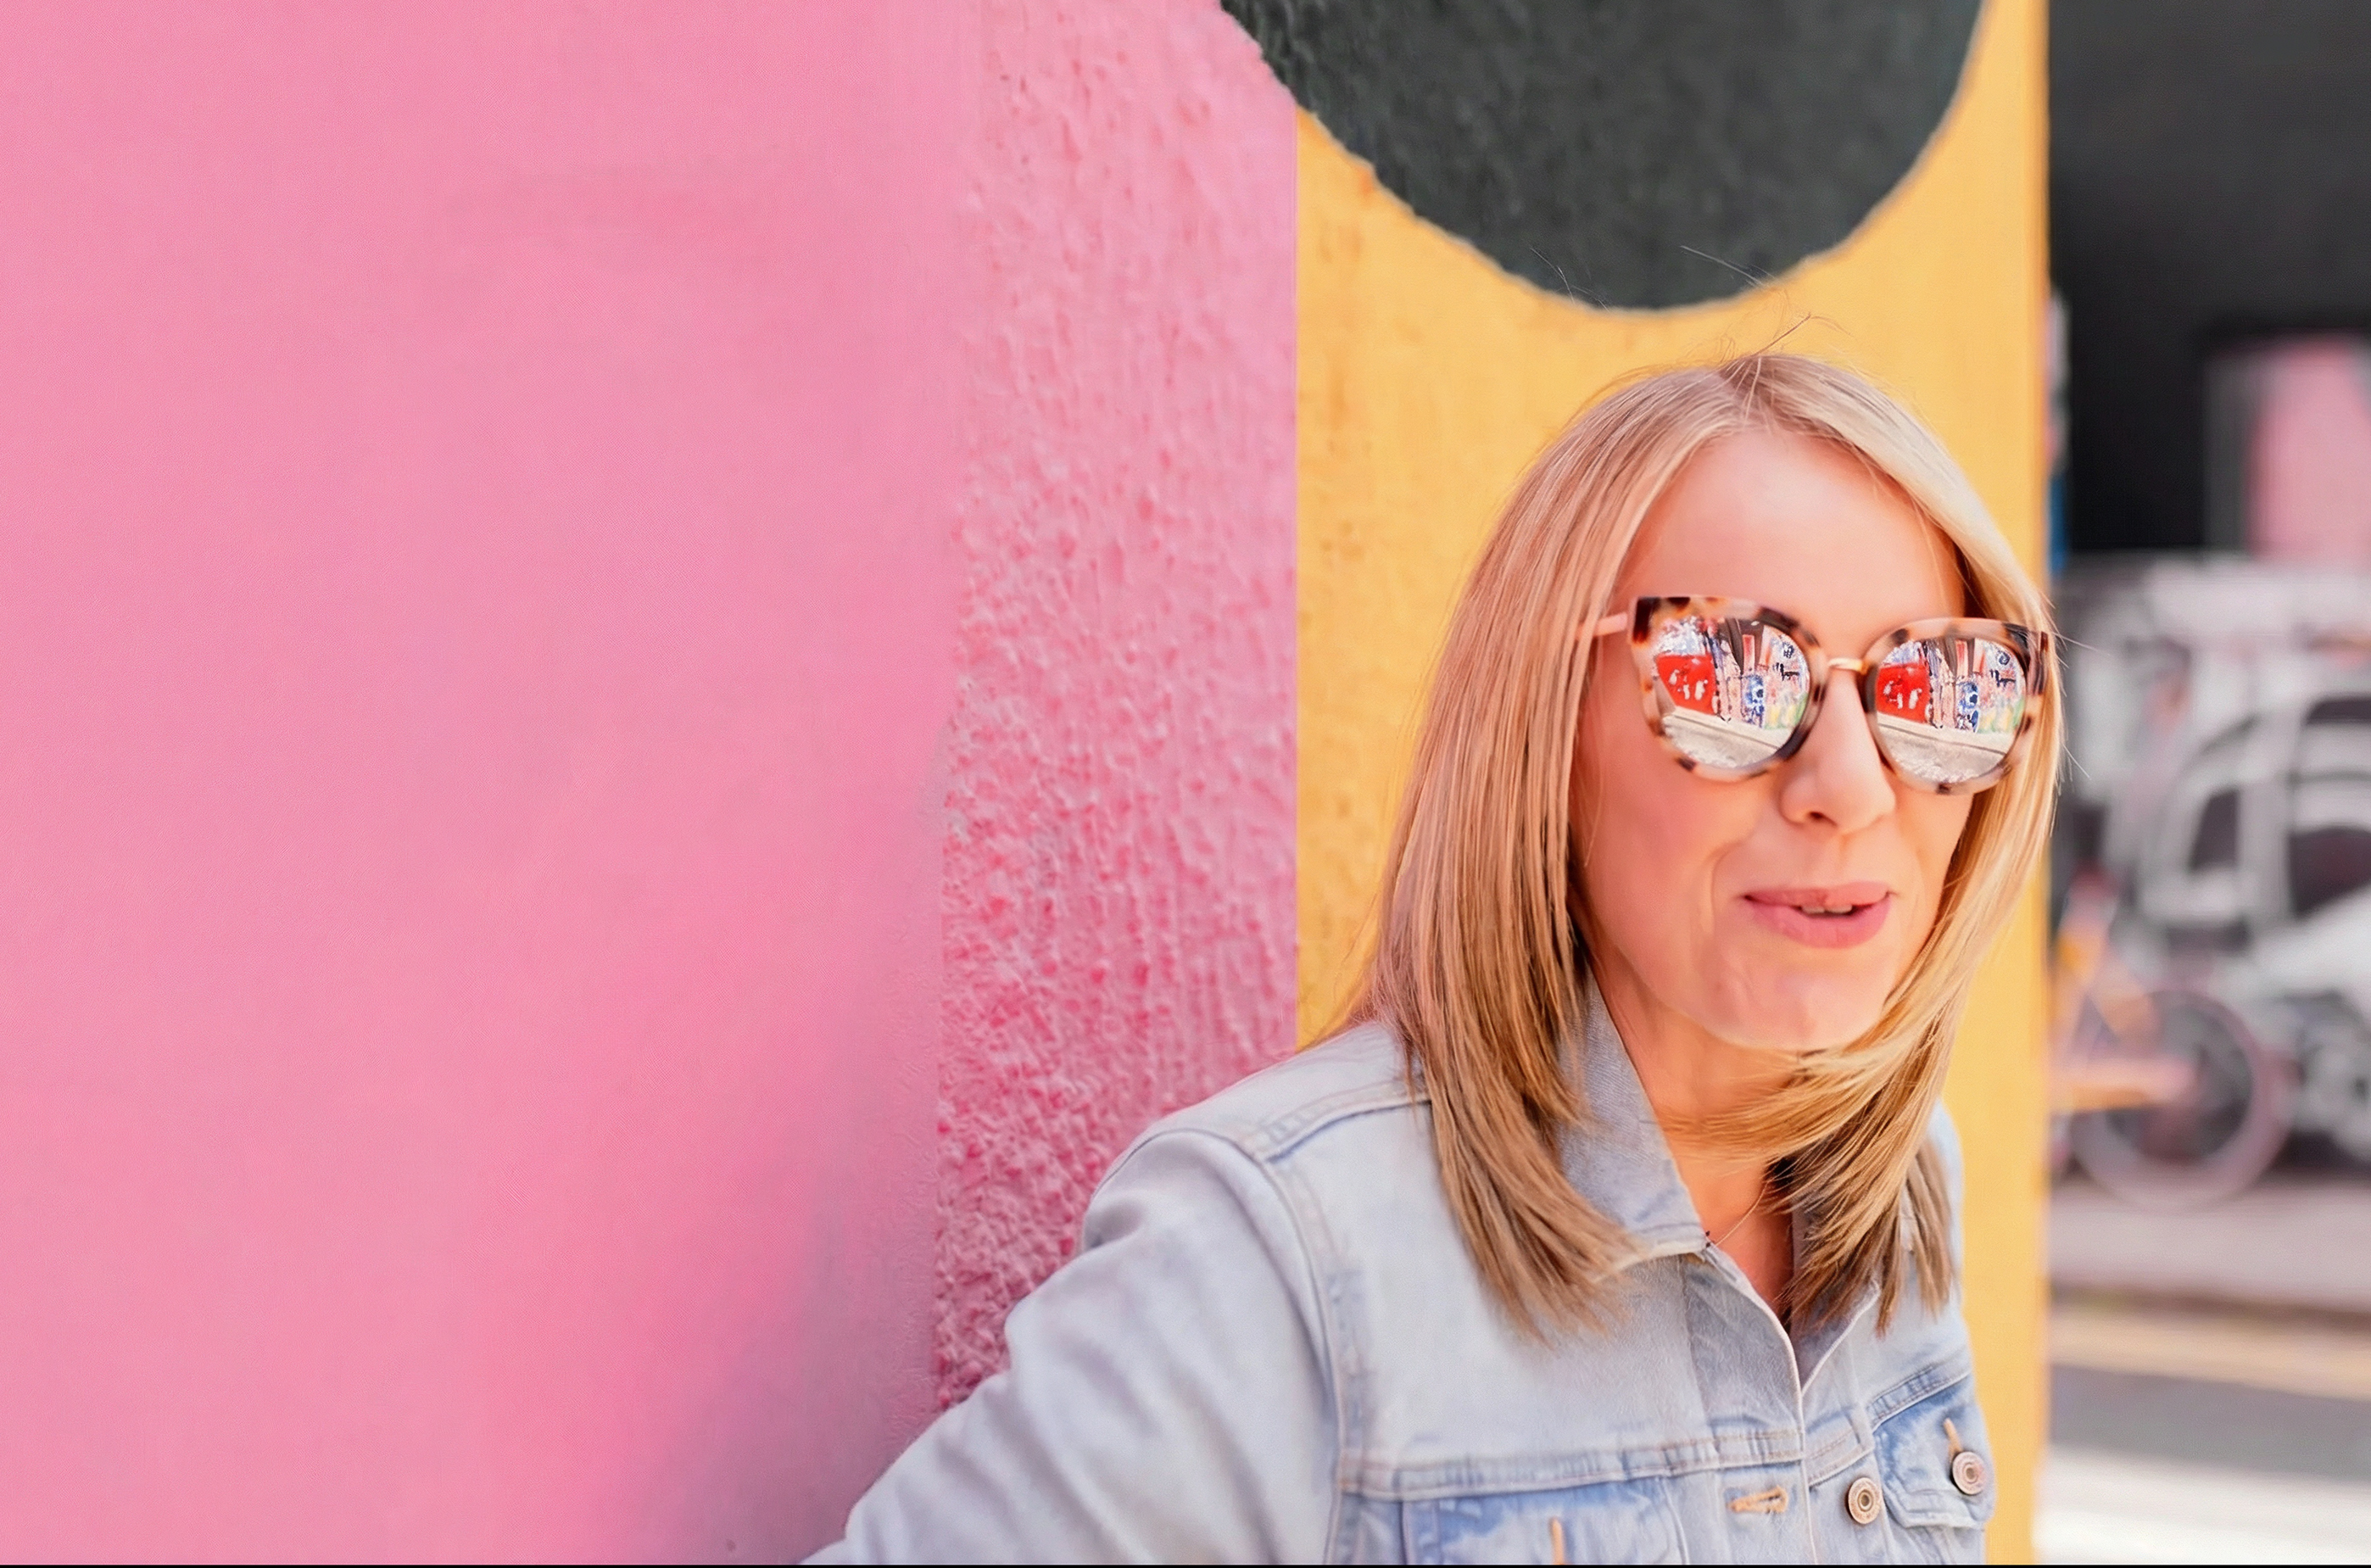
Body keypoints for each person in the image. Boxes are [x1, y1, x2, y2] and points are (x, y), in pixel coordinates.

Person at [811, 354, 2057, 1564]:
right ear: (1545, 724)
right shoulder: (1280, 1259)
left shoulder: (1897, 1186)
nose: (1850, 786)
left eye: (1936, 682)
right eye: (1729, 674)